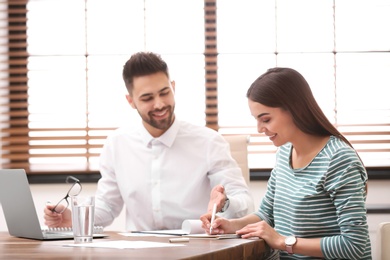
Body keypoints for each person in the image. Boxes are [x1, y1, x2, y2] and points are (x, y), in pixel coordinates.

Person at [44, 51, 254, 231]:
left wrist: (225, 203)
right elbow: (107, 207)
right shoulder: (117, 144)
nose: (160, 104)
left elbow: (244, 202)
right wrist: (72, 218)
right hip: (139, 251)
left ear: (173, 87)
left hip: (196, 248)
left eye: (165, 92)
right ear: (131, 101)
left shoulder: (209, 142)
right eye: (147, 98)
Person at [201, 67, 372, 259]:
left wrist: (283, 241)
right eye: (256, 120)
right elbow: (267, 214)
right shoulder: (284, 153)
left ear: (294, 109)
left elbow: (354, 244)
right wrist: (230, 225)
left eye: (265, 119)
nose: (259, 129)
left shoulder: (339, 160)